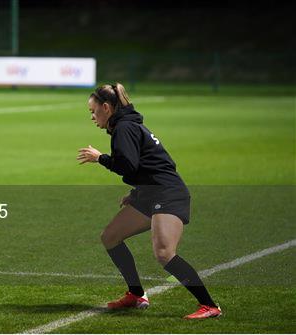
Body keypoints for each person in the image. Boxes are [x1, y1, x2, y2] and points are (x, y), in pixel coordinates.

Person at [77, 83, 221, 319]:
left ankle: (210, 306)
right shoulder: (126, 126)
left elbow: (129, 166)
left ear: (106, 107)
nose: (92, 117)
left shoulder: (124, 128)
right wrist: (136, 194)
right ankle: (136, 294)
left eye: (93, 111)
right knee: (110, 237)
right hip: (151, 192)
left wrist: (100, 158)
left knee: (164, 253)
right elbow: (147, 166)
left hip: (167, 193)